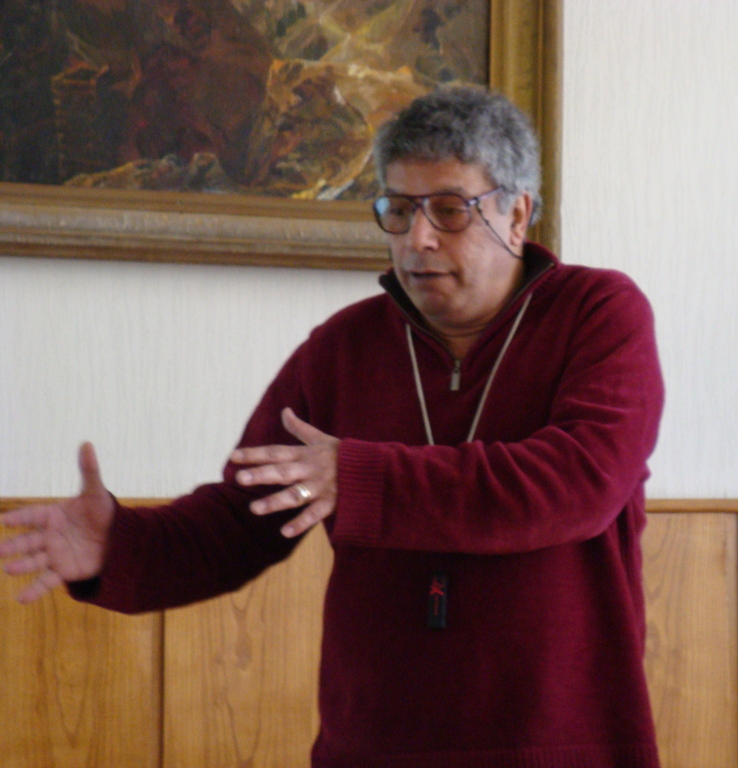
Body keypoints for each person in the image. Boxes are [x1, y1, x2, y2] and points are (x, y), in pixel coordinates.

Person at [0, 86, 665, 768]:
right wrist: (119, 546)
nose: (418, 238)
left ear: (517, 213)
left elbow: (579, 481)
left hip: (564, 744)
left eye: (448, 210)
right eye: (398, 210)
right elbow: (240, 522)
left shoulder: (598, 313)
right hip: (375, 748)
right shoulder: (344, 347)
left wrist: (359, 478)